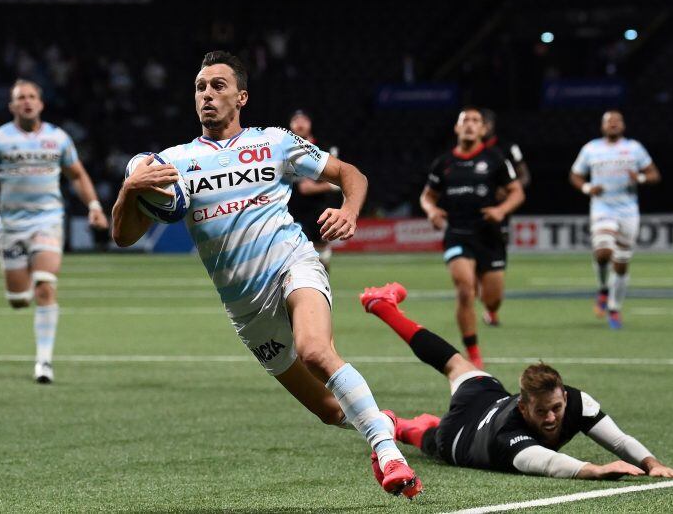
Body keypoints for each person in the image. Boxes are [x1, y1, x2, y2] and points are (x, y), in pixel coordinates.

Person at [111, 51, 421, 498]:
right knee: (330, 411)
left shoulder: (274, 142)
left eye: (218, 86)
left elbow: (348, 173)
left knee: (316, 350)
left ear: (242, 96)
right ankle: (385, 422)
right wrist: (128, 190)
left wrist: (350, 209)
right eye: (200, 87)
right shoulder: (172, 163)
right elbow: (125, 236)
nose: (207, 95)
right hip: (246, 308)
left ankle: (388, 454)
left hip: (293, 264)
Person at [359, 282, 673, 480]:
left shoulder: (576, 401)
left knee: (458, 364)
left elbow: (618, 441)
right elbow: (550, 463)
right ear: (523, 405)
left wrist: (651, 463)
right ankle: (399, 425)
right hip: (461, 433)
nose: (551, 417)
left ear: (565, 399)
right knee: (430, 437)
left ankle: (383, 306)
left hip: (487, 396)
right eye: (541, 411)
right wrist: (596, 469)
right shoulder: (508, 438)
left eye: (556, 408)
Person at [0, 79, 108, 384]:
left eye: (32, 97)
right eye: (20, 98)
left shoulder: (58, 138)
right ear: (12, 106)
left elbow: (77, 175)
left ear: (41, 103)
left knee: (45, 286)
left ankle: (44, 362)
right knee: (18, 300)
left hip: (48, 220)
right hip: (13, 225)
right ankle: (23, 282)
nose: (27, 102)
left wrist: (94, 205)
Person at [420, 108, 524, 369]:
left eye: (475, 121)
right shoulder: (443, 163)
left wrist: (501, 210)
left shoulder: (495, 160)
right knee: (465, 290)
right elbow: (427, 196)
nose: (469, 125)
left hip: (489, 236)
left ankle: (489, 306)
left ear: (483, 130)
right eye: (464, 120)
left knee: (492, 299)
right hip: (457, 234)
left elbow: (517, 192)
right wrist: (432, 211)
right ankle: (473, 351)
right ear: (456, 128)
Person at [569, 110, 661, 329]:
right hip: (602, 208)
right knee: (603, 253)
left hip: (628, 211)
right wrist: (588, 187)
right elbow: (575, 174)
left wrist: (639, 177)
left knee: (621, 263)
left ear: (623, 125)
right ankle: (603, 288)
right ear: (602, 126)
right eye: (609, 121)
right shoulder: (591, 149)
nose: (613, 124)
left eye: (617, 120)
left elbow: (654, 175)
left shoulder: (634, 148)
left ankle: (614, 307)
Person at [480, 108, 530, 326]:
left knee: (495, 257)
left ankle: (491, 304)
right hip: (471, 210)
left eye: (485, 123)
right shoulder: (463, 149)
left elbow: (524, 175)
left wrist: (510, 191)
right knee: (471, 258)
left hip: (500, 210)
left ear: (490, 125)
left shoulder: (507, 148)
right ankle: (484, 304)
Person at [286, 109, 341, 272]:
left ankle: (323, 285)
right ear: (290, 125)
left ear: (310, 124)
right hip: (289, 207)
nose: (300, 124)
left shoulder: (324, 148)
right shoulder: (284, 149)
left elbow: (338, 180)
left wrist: (321, 186)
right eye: (296, 120)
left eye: (304, 120)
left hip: (318, 208)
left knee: (321, 251)